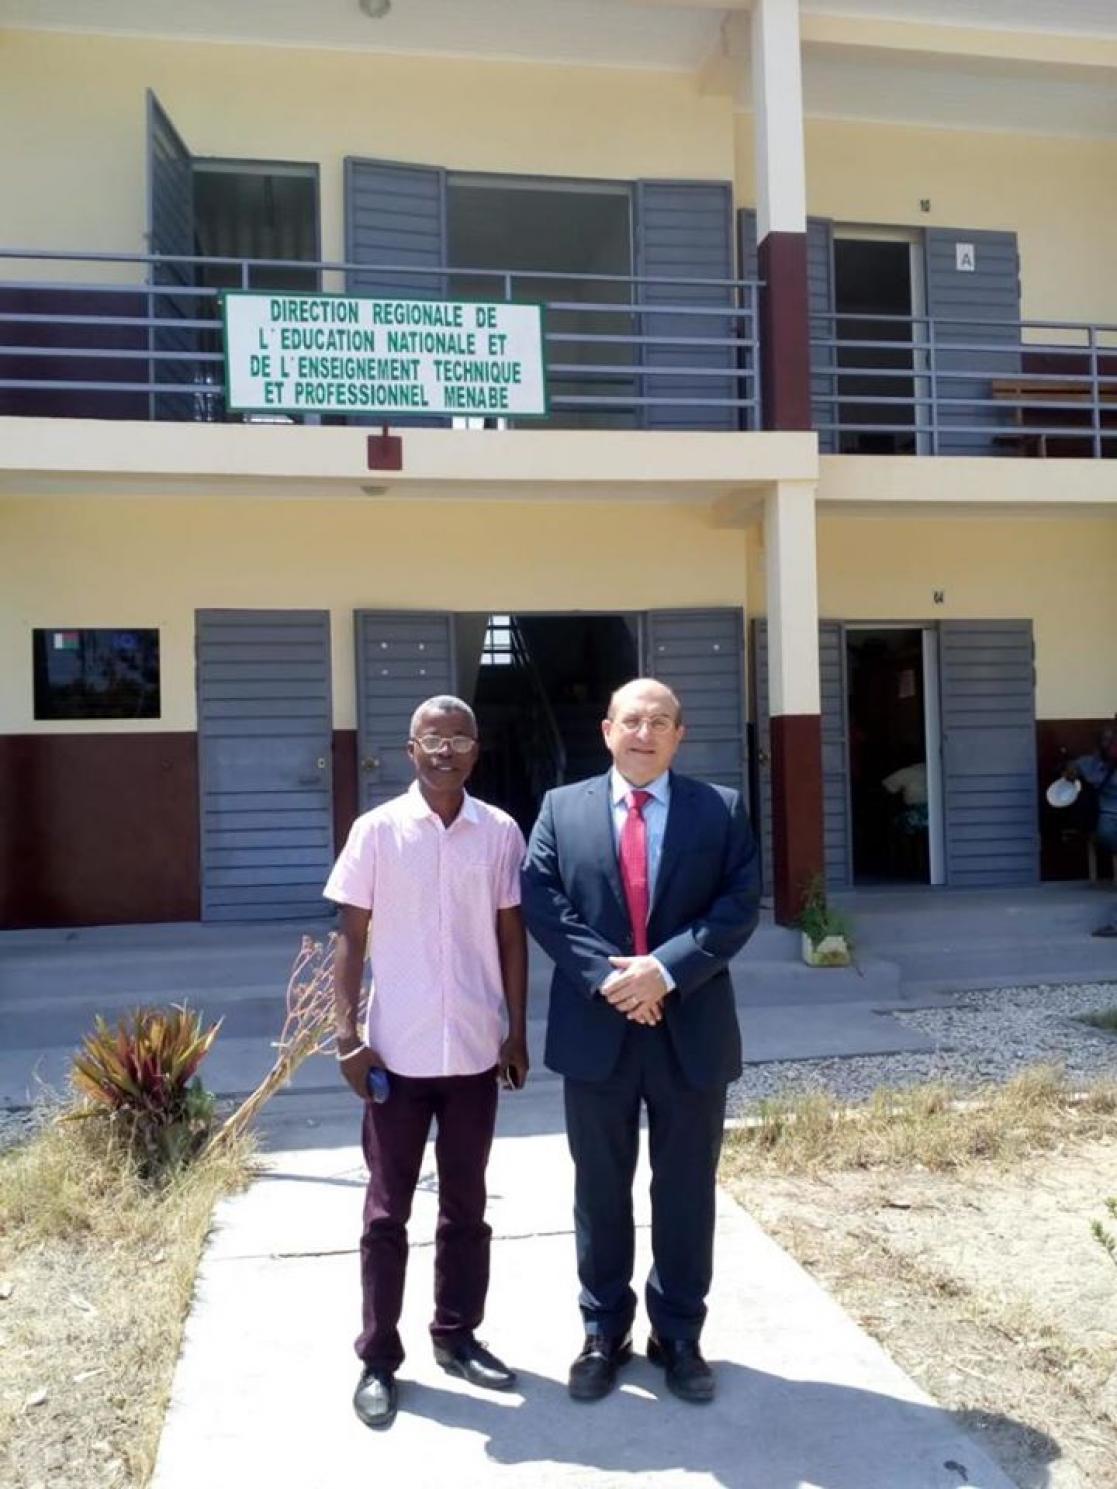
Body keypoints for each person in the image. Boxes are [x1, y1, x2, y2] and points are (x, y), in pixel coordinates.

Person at [521, 678, 760, 1405]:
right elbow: (542, 900)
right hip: (597, 1030)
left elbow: (738, 903)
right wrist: (614, 980)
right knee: (599, 1190)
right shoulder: (560, 809)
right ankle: (603, 1332)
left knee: (685, 1189)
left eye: (660, 721)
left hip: (690, 1026)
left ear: (679, 735)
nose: (644, 732)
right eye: (632, 719)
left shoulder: (719, 809)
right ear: (606, 729)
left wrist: (663, 971)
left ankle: (678, 1334)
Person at [324, 695, 529, 1431]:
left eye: (459, 737)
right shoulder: (376, 831)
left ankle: (457, 1333)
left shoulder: (499, 831)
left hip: (474, 1049)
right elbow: (350, 935)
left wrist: (515, 1029)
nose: (445, 749)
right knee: (386, 1212)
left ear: (477, 749)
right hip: (396, 1054)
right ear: (410, 749)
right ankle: (378, 1356)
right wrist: (346, 1035)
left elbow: (511, 935)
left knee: (467, 1206)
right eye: (431, 738)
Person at [1064, 724, 1117, 937]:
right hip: (1109, 825)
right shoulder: (1093, 764)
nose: (1109, 744)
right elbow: (1071, 767)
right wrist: (1070, 772)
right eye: (1105, 740)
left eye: (1112, 740)